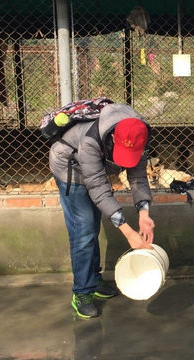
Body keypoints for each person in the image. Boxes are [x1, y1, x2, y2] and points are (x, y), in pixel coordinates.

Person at [50, 104, 155, 319]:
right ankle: (82, 292)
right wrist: (128, 232)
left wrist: (144, 213)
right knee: (84, 231)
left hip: (94, 169)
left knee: (93, 226)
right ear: (114, 138)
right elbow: (98, 187)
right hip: (70, 168)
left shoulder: (139, 134)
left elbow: (137, 177)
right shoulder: (91, 141)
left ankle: (93, 279)